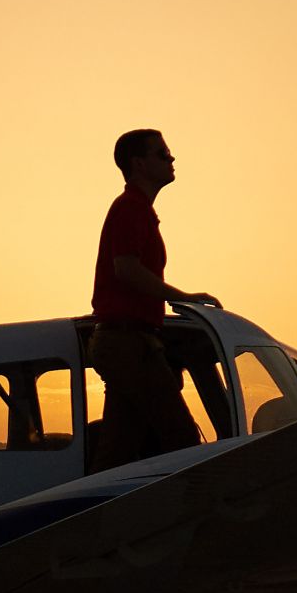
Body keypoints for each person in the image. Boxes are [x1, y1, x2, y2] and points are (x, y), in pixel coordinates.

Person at [87, 127, 214, 470]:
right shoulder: (130, 208)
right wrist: (183, 297)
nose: (171, 159)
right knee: (182, 439)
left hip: (130, 343)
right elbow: (125, 269)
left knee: (118, 452)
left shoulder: (138, 210)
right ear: (139, 164)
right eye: (162, 153)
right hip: (128, 344)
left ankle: (101, 520)